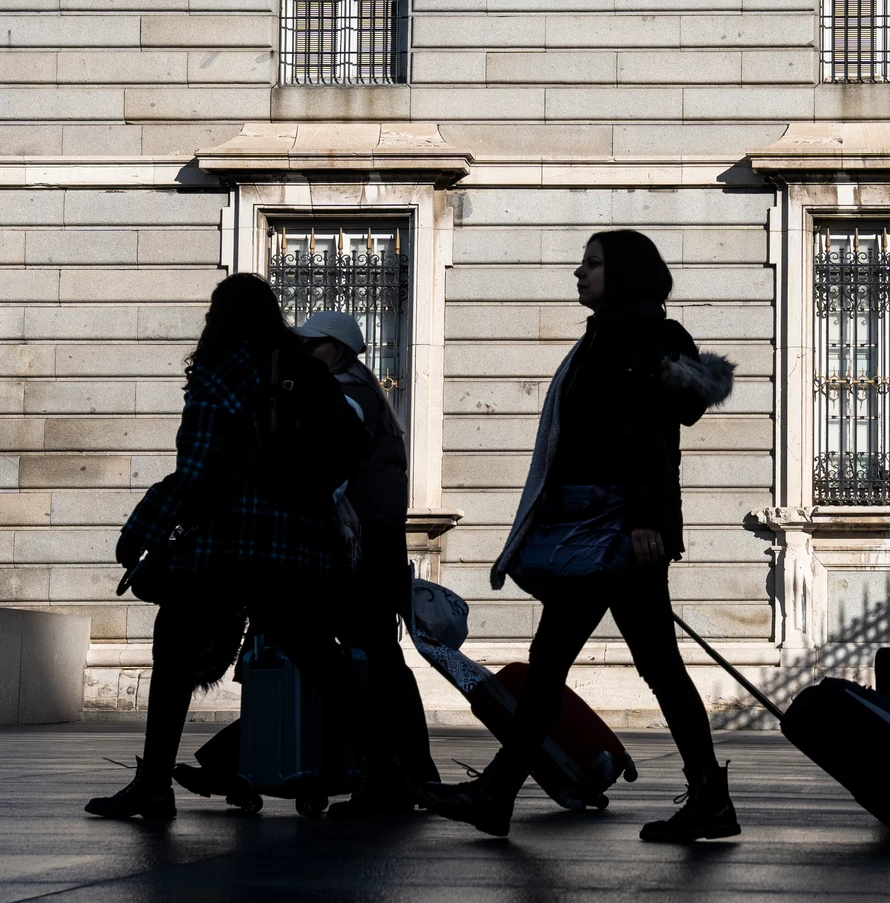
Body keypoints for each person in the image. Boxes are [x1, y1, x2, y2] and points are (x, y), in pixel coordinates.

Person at [417, 229, 736, 839]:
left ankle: (498, 793)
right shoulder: (615, 336)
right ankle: (706, 799)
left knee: (566, 662)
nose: (578, 273)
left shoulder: (636, 340)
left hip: (610, 532)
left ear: (624, 274)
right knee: (635, 664)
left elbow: (647, 439)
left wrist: (646, 521)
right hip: (602, 529)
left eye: (592, 264)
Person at [89, 274, 383, 819]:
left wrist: (144, 529)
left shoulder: (222, 370)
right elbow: (356, 443)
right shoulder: (301, 369)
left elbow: (198, 468)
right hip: (297, 545)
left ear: (217, 318)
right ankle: (390, 773)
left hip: (229, 542)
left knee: (175, 650)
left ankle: (153, 785)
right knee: (319, 657)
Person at [291, 310, 440, 814]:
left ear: (334, 349)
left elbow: (331, 466)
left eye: (311, 346)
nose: (303, 354)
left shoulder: (346, 395)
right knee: (378, 657)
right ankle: (413, 769)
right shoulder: (364, 389)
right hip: (381, 543)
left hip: (361, 547)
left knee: (347, 655)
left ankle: (388, 773)